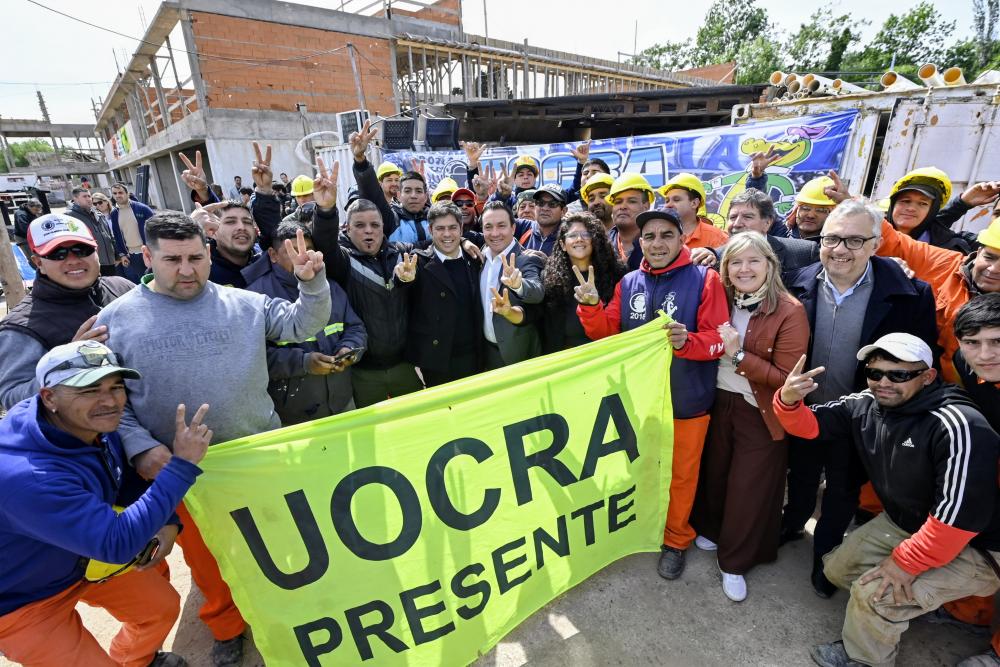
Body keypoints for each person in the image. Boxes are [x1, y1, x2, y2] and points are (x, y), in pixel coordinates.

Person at [96, 211, 331, 666]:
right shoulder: (114, 321)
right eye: (172, 260)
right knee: (209, 562)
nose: (186, 270)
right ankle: (226, 628)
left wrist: (311, 282)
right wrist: (141, 446)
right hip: (180, 473)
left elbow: (303, 324)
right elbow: (109, 403)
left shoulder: (244, 303)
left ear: (208, 254)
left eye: (195, 258)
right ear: (147, 257)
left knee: (283, 543)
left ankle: (291, 614)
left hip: (259, 458)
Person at [774, 333, 1000, 667]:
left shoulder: (958, 424)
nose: (883, 382)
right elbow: (810, 426)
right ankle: (906, 608)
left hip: (975, 546)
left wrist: (904, 564)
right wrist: (788, 399)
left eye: (899, 374)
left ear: (927, 376)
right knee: (837, 570)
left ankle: (865, 658)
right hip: (908, 523)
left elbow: (957, 521)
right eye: (875, 372)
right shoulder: (866, 403)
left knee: (874, 593)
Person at [0, 340, 212, 667]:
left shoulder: (84, 422)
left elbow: (122, 477)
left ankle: (135, 661)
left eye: (116, 386)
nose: (109, 400)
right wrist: (181, 467)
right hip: (20, 601)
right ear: (49, 397)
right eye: (88, 389)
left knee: (161, 608)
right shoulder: (28, 474)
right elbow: (116, 544)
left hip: (79, 561)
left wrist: (169, 518)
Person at [781, 199, 940, 598]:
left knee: (842, 490)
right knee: (800, 475)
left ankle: (826, 558)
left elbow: (922, 357)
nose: (840, 249)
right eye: (832, 238)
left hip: (864, 418)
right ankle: (791, 525)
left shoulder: (909, 293)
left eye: (855, 240)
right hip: (807, 409)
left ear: (876, 244)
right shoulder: (797, 281)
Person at [576, 208, 729, 581]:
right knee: (639, 471)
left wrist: (688, 342)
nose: (657, 243)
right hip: (638, 404)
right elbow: (607, 334)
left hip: (686, 403)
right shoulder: (629, 283)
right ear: (639, 241)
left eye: (666, 235)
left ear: (681, 239)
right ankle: (637, 530)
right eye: (649, 236)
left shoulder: (705, 280)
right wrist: (592, 306)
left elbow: (720, 340)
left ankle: (676, 541)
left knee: (680, 477)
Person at [689, 232, 809, 602]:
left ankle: (736, 561)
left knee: (749, 488)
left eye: (754, 261)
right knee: (716, 472)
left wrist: (739, 356)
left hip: (760, 410)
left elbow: (785, 379)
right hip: (718, 401)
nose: (744, 269)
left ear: (770, 266)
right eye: (735, 262)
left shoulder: (790, 310)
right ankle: (710, 528)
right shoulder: (722, 298)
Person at [0, 214, 133, 410]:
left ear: (96, 251)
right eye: (57, 254)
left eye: (82, 250)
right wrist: (68, 362)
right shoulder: (21, 327)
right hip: (91, 438)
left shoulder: (123, 289)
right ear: (38, 263)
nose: (73, 260)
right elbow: (14, 399)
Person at [244, 221, 366, 424]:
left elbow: (356, 327)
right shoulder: (254, 297)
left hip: (342, 402)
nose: (301, 256)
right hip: (295, 414)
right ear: (273, 255)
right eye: (291, 250)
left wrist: (349, 349)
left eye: (307, 249)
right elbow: (254, 358)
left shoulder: (331, 288)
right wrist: (304, 363)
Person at [397, 202, 484, 386]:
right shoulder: (418, 261)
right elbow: (403, 283)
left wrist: (464, 241)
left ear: (461, 228)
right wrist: (403, 279)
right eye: (440, 228)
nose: (447, 234)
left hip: (475, 356)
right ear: (430, 229)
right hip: (437, 363)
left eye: (452, 228)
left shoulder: (474, 257)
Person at [691, 188, 819, 285]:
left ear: (767, 223)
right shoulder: (714, 259)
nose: (737, 224)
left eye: (747, 217)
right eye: (733, 217)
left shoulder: (804, 253)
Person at [540, 212, 625, 353]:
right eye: (572, 235)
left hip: (604, 359)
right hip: (563, 363)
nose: (579, 239)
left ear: (595, 240)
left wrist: (592, 305)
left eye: (586, 235)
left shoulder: (617, 275)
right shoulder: (549, 278)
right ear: (563, 244)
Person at [479, 201, 545, 367]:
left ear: (513, 228)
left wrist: (518, 285)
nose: (495, 233)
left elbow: (537, 291)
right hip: (486, 353)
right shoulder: (480, 255)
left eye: (501, 226)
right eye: (488, 227)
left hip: (519, 356)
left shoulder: (526, 259)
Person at [351, 121, 431, 244]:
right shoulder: (390, 219)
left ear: (426, 196)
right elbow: (371, 193)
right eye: (407, 190)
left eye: (419, 191)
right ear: (398, 195)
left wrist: (463, 241)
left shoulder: (435, 218)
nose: (413, 195)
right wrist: (360, 160)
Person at [886, 168, 999, 254]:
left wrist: (963, 203)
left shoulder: (952, 245)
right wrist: (962, 203)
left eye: (922, 203)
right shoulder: (871, 233)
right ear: (893, 204)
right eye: (905, 201)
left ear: (931, 212)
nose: (911, 208)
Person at [659, 173, 729, 249]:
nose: (668, 205)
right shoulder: (657, 235)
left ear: (694, 203)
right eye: (667, 201)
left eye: (676, 200)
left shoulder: (717, 237)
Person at [605, 173, 655, 271]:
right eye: (618, 202)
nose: (623, 206)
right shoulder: (601, 244)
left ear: (646, 206)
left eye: (631, 201)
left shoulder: (658, 243)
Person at [65, 186, 118, 276]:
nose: (89, 199)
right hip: (91, 263)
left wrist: (117, 255)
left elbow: (110, 236)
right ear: (76, 199)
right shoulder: (70, 217)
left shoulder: (98, 214)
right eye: (84, 196)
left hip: (110, 261)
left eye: (89, 196)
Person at [109, 182, 155, 283]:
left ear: (127, 193)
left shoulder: (142, 208)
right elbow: (116, 235)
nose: (117, 195)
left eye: (120, 192)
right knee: (144, 281)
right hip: (133, 255)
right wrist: (123, 255)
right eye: (115, 193)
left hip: (149, 251)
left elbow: (157, 227)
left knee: (158, 278)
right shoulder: (114, 214)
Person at [522, 184, 567, 255]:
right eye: (540, 203)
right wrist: (503, 197)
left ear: (563, 211)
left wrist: (547, 262)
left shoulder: (569, 237)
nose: (545, 208)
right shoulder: (523, 227)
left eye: (552, 204)